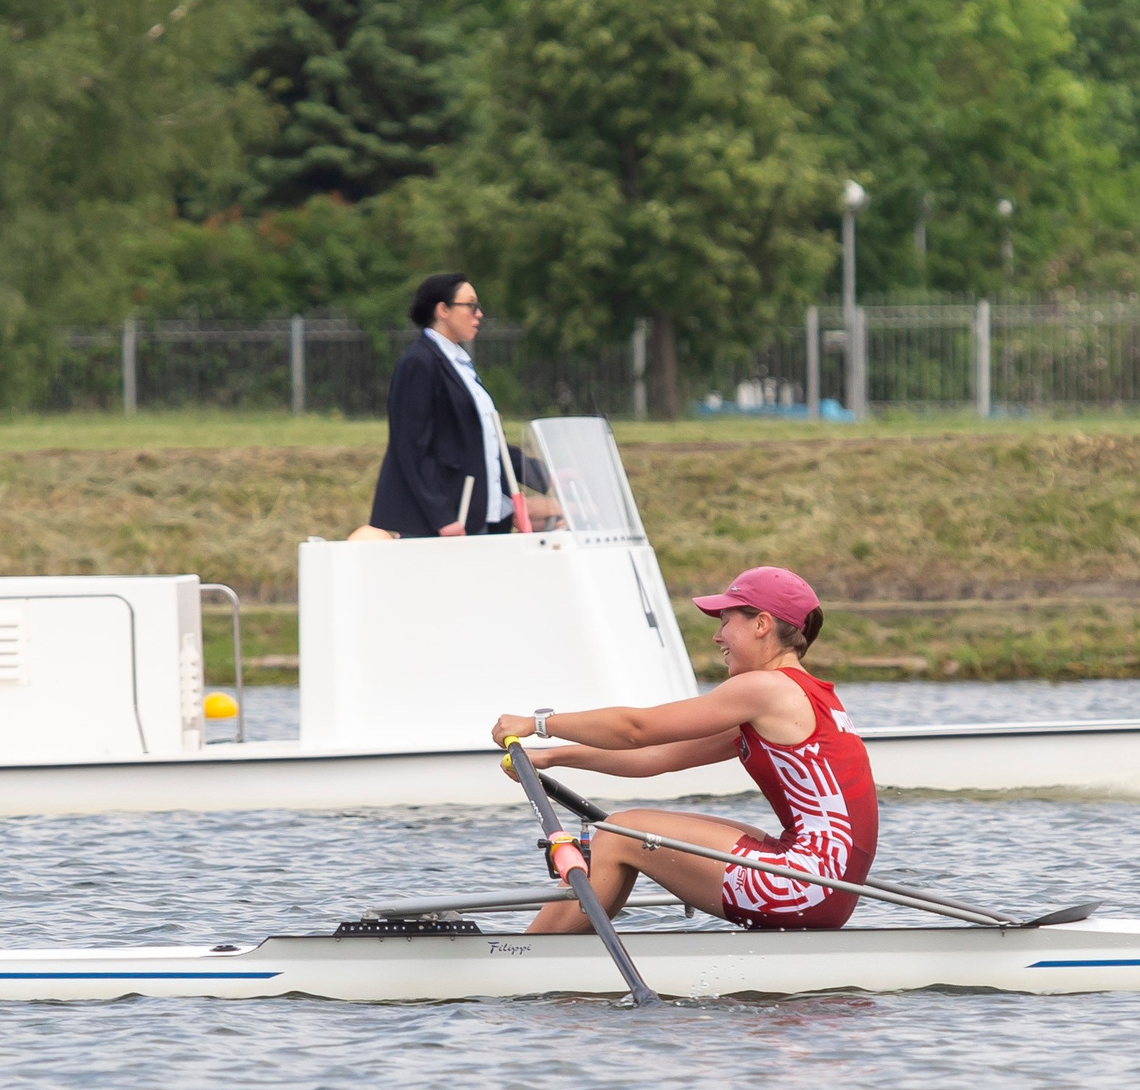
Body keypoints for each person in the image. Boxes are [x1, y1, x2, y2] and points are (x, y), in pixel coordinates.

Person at [488, 566, 876, 935]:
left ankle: (525, 955)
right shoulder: (807, 697)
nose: (717, 637)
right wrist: (552, 758)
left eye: (725, 621)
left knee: (618, 832)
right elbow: (654, 757)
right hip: (829, 887)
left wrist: (538, 724)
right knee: (635, 830)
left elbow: (636, 730)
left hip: (807, 886)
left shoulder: (766, 688)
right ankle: (555, 950)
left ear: (761, 624)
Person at [368, 273, 526, 537]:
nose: (479, 314)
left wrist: (543, 474)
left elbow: (484, 442)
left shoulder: (459, 363)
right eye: (471, 305)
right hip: (447, 523)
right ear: (443, 310)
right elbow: (412, 446)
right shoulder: (420, 362)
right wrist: (442, 516)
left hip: (481, 516)